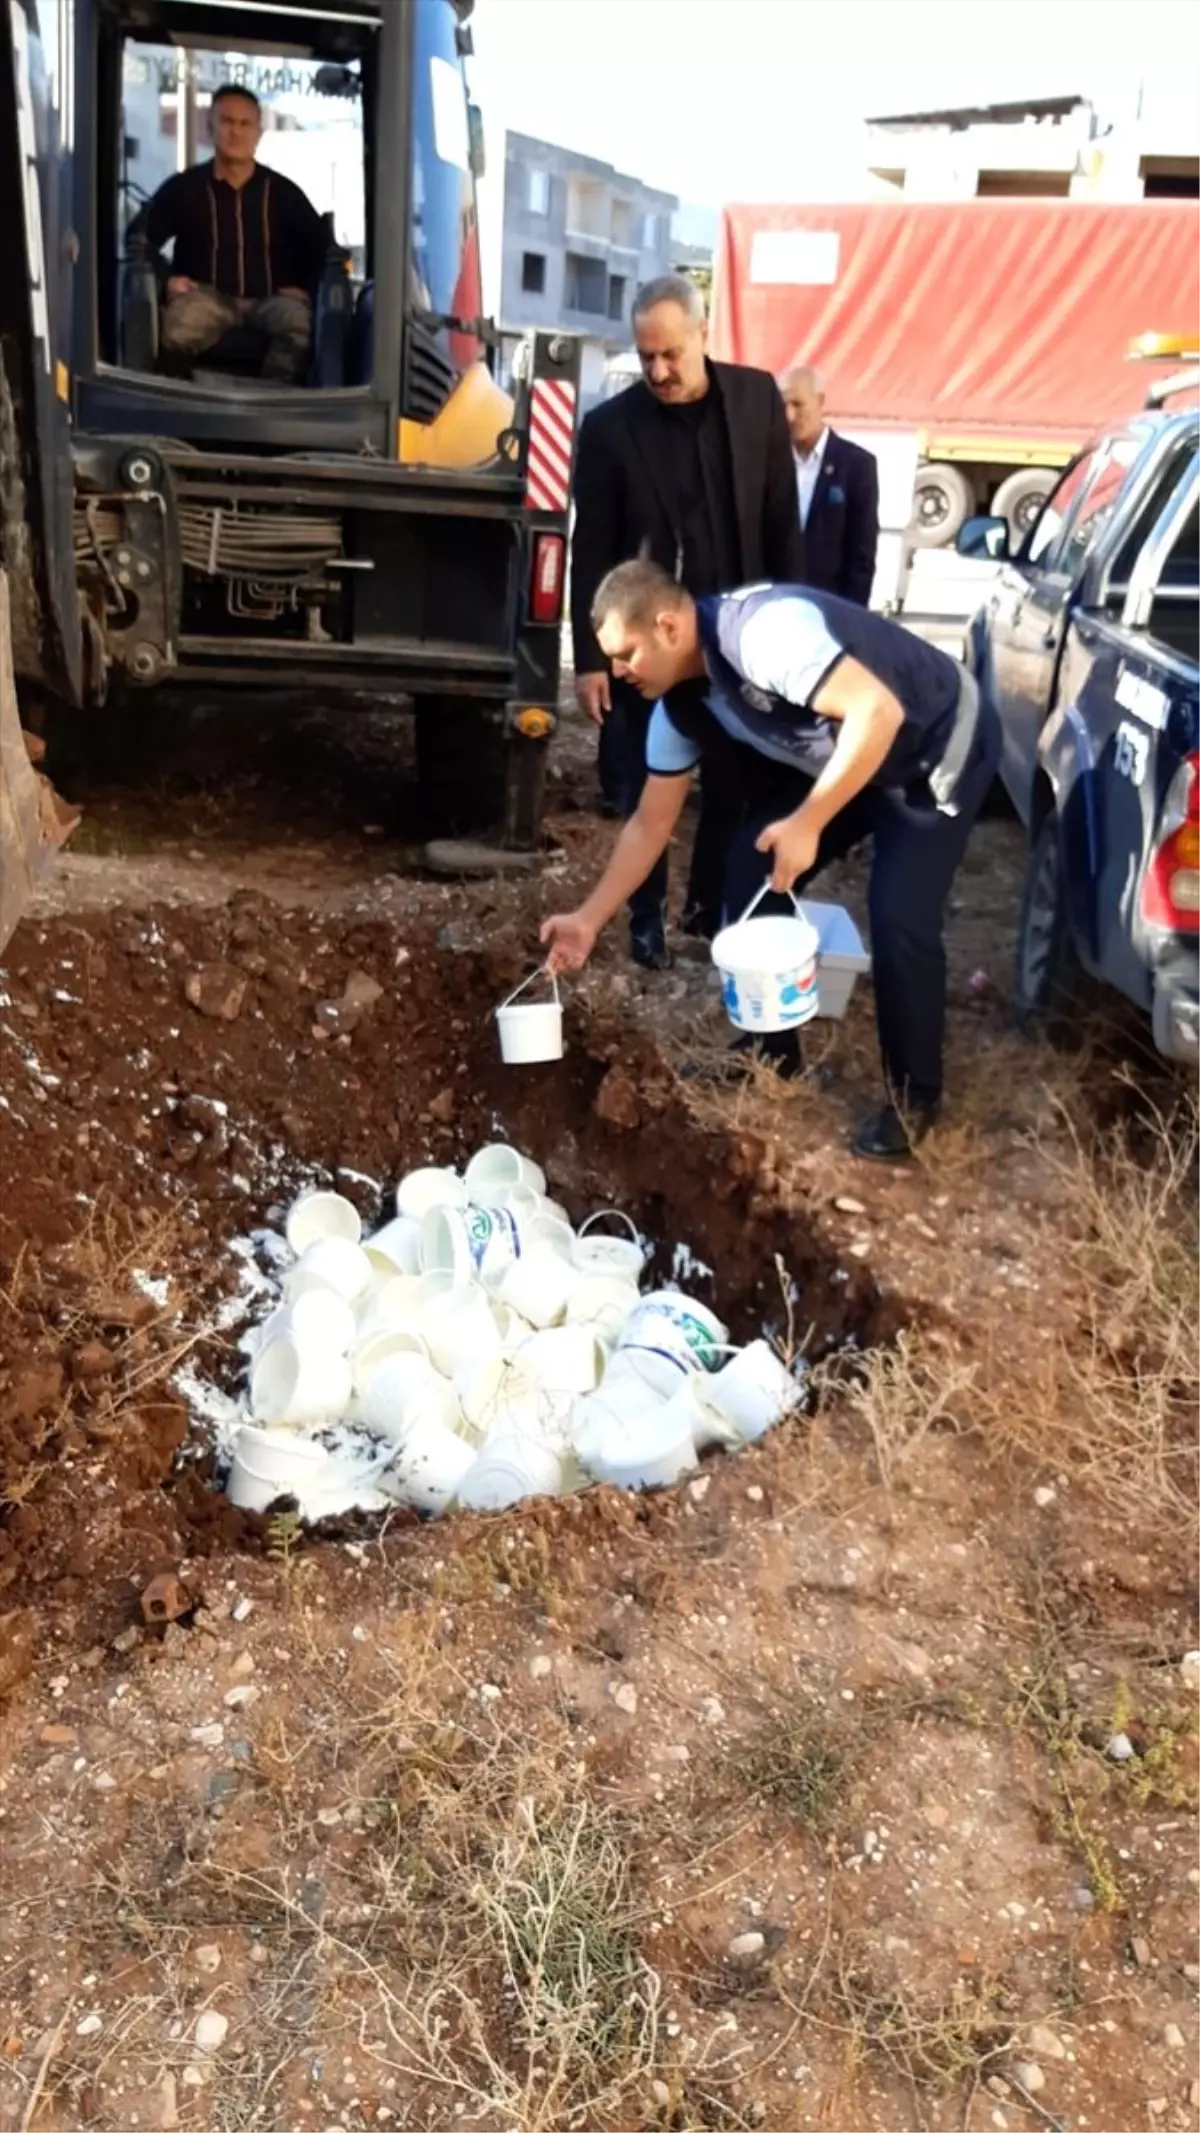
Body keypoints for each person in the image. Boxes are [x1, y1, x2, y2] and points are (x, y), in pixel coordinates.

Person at [542, 559, 1000, 1163]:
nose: (617, 671)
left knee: (898, 915)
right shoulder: (678, 707)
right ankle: (773, 1049)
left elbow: (878, 712)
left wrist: (809, 822)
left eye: (626, 653)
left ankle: (914, 1097)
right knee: (748, 870)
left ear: (669, 627)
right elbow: (650, 826)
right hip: (848, 761)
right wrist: (589, 919)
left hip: (932, 741)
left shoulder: (764, 635)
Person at [570, 275, 804, 969]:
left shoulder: (758, 399)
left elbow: (781, 525)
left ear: (704, 333)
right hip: (652, 649)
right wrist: (590, 658)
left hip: (740, 645)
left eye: (671, 354)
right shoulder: (611, 429)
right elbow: (592, 549)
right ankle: (646, 925)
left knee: (732, 787)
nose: (659, 371)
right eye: (646, 358)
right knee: (651, 792)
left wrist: (793, 625)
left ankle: (706, 917)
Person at [127, 84, 327, 383]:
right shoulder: (185, 188)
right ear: (211, 128)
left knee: (299, 323)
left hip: (269, 300)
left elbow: (325, 251)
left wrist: (307, 289)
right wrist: (166, 278)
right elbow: (137, 240)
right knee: (179, 325)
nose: (236, 132)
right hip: (208, 298)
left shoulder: (284, 193)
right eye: (227, 122)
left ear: (259, 133)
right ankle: (179, 403)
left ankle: (275, 402)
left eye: (245, 124)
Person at [781, 367, 879, 607]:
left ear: (820, 401)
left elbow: (861, 556)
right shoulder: (770, 463)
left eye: (798, 404)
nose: (789, 416)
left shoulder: (856, 466)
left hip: (829, 610)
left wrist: (850, 623)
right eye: (782, 406)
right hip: (778, 608)